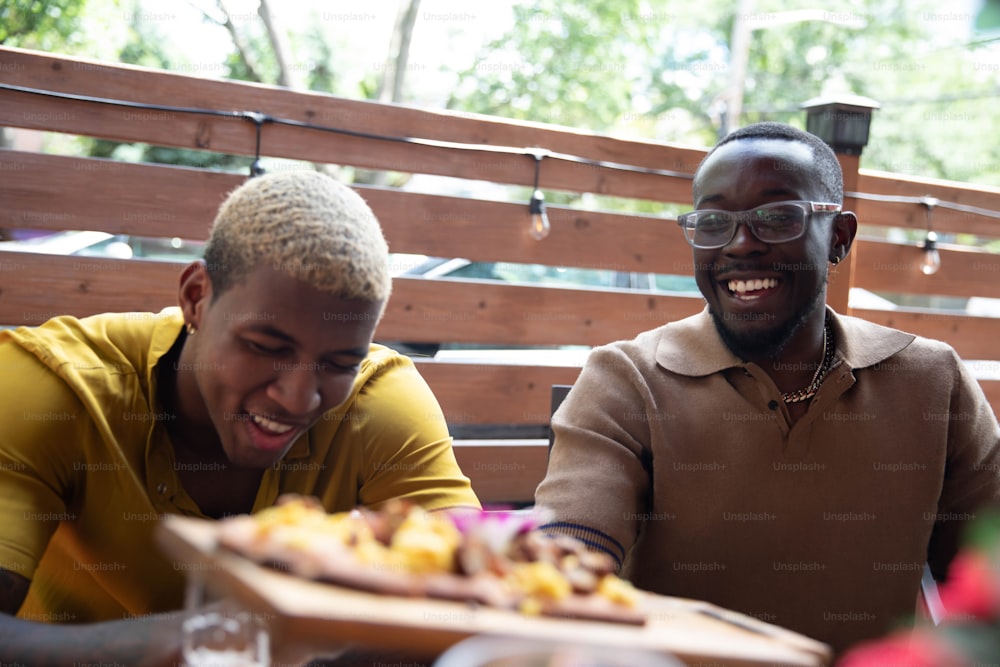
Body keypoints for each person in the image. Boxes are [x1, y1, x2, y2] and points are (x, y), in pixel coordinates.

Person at [534, 122, 1000, 655]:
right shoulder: (627, 377)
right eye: (712, 221)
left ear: (840, 238)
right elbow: (569, 555)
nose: (740, 244)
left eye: (777, 217)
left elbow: (990, 585)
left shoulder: (934, 382)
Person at [0, 171, 480, 665]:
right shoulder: (52, 386)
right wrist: (194, 642)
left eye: (338, 364)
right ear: (195, 297)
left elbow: (471, 611)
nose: (298, 399)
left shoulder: (379, 402)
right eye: (264, 348)